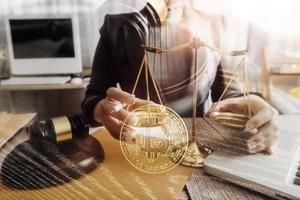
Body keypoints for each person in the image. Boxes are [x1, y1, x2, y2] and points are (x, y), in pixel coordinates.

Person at [82, 0, 278, 154]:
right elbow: (94, 98)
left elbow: (228, 91)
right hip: (145, 146)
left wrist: (252, 102)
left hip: (203, 148)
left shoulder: (216, 23)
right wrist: (103, 110)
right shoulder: (117, 26)